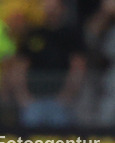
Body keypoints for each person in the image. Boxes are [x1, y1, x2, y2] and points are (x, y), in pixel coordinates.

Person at [8, 0, 86, 128]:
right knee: (31, 137)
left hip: (61, 99)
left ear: (62, 9)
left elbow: (78, 66)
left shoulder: (71, 35)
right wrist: (23, 97)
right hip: (34, 99)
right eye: (47, 6)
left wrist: (67, 96)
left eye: (54, 7)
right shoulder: (33, 34)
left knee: (62, 137)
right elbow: (19, 67)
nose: (50, 10)